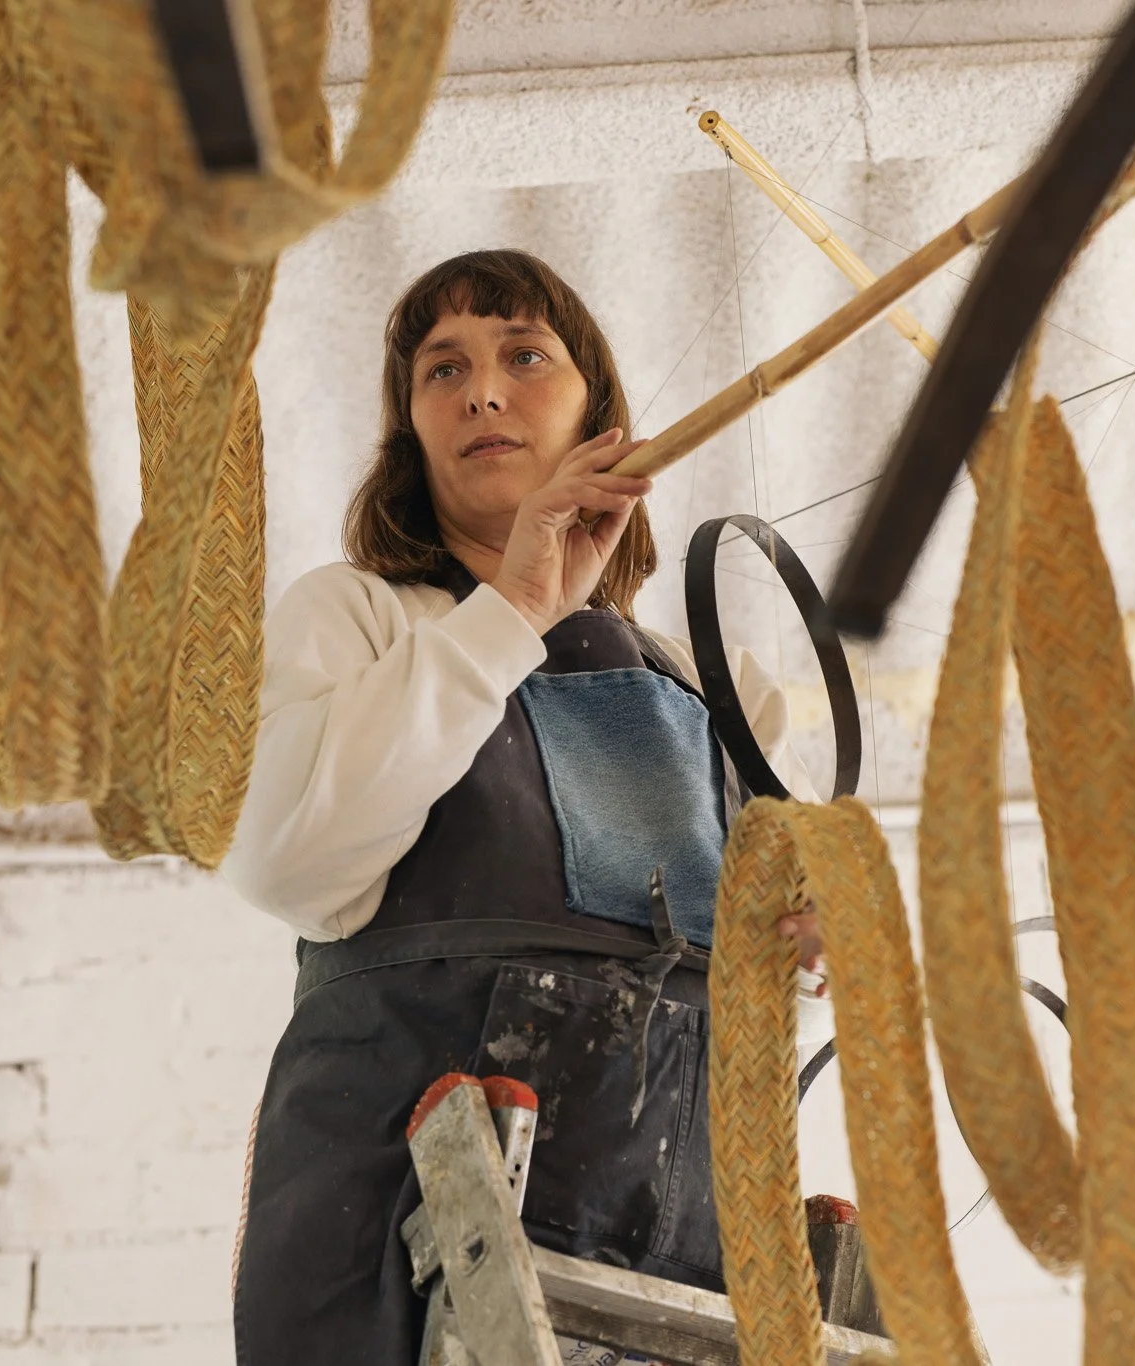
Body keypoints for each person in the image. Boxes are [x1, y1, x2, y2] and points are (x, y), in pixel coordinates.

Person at [223, 248, 831, 1364]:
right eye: (440, 371)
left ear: (600, 416)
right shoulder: (357, 617)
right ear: (411, 432)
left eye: (523, 355)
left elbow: (769, 983)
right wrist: (509, 609)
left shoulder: (718, 688)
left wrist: (810, 942)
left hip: (684, 1232)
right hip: (405, 1217)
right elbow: (286, 864)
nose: (482, 390)